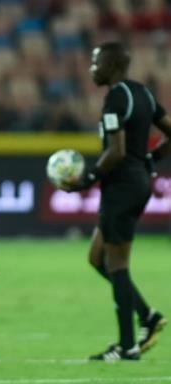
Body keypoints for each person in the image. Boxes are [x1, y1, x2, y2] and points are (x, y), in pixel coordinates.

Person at [66, 42, 169, 361]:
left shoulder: (115, 98)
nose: (91, 69)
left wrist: (86, 179)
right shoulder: (144, 93)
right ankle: (147, 316)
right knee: (98, 258)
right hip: (135, 183)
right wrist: (151, 158)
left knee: (117, 265)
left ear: (111, 66)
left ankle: (128, 346)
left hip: (122, 188)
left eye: (96, 63)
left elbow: (117, 151)